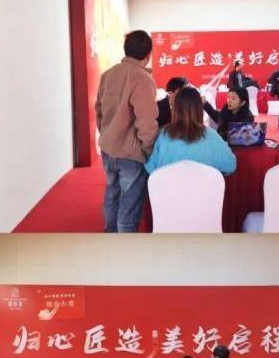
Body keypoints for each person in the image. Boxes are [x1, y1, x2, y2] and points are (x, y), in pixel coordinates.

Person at [95, 30, 159, 233]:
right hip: (131, 154)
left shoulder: (107, 75)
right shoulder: (143, 79)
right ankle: (125, 246)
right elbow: (146, 121)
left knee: (112, 196)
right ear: (148, 55)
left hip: (108, 149)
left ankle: (110, 236)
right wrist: (149, 150)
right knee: (129, 206)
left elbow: (99, 110)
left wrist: (106, 134)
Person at [144, 87, 237, 176]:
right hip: (204, 187)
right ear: (199, 109)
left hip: (169, 186)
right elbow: (230, 165)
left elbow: (150, 168)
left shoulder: (163, 135)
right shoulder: (212, 136)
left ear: (175, 109)